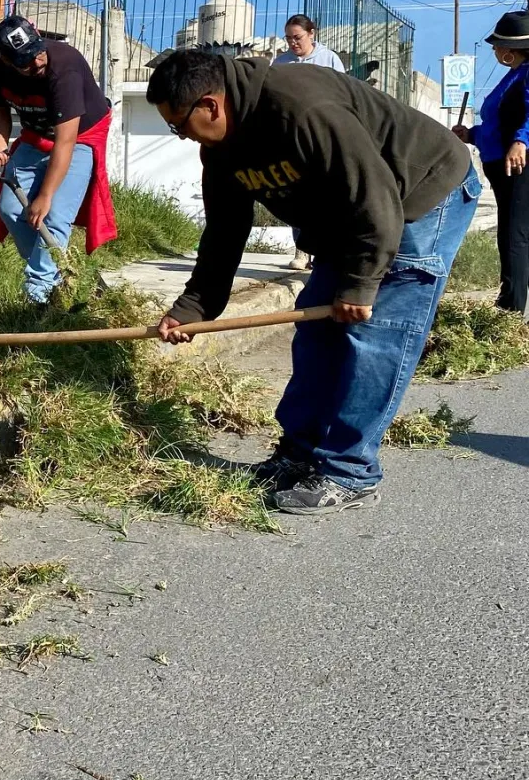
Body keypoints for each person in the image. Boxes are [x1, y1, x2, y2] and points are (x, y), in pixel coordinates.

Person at [147, 48, 479, 514]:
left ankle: (349, 471)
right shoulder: (221, 150)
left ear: (210, 105)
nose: (181, 136)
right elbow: (224, 231)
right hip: (353, 217)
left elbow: (375, 197)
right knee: (316, 330)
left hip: (418, 194)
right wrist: (194, 308)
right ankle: (299, 454)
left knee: (373, 335)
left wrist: (361, 285)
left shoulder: (301, 107)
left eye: (178, 125)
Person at [0, 15, 116, 306]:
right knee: (10, 209)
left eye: (38, 51)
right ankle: (63, 270)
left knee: (53, 216)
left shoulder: (64, 66)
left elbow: (65, 141)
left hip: (80, 137)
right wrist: (0, 143)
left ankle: (39, 296)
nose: (37, 62)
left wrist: (45, 195)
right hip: (35, 135)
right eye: (26, 61)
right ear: (7, 61)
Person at [453, 10, 529, 317]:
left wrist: (522, 140)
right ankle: (511, 295)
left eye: (497, 46)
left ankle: (511, 306)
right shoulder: (512, 77)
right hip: (501, 164)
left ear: (511, 50)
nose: (495, 51)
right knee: (511, 231)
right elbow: (497, 126)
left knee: (515, 232)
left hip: (520, 163)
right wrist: (470, 133)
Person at [272, 14, 345, 271]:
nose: (293, 43)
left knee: (326, 197)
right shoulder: (280, 64)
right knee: (299, 196)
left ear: (312, 34)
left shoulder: (329, 59)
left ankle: (326, 252)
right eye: (289, 38)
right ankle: (302, 251)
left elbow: (344, 94)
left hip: (324, 136)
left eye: (298, 37)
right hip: (292, 139)